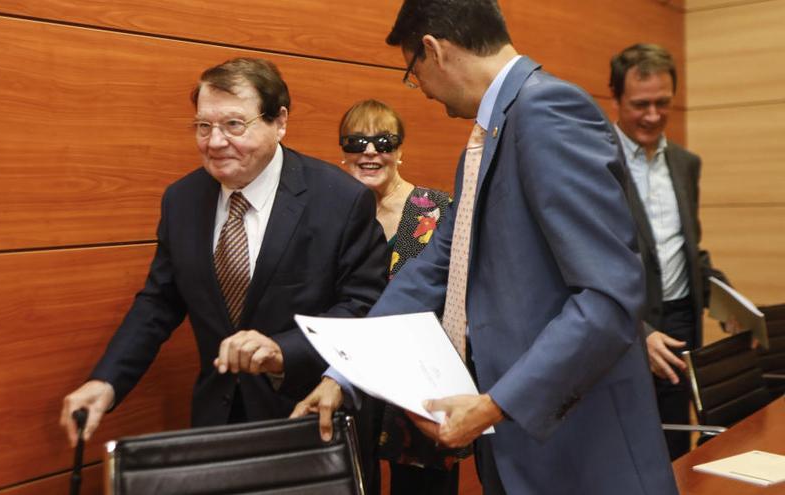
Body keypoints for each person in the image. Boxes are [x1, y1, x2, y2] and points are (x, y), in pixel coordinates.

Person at [293, 1, 678, 494]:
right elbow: (434, 267)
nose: (424, 92)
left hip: (578, 449)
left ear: (433, 50)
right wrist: (342, 375)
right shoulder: (491, 133)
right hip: (517, 442)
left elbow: (609, 298)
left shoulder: (547, 112)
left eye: (414, 73)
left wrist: (497, 404)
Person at [59, 58, 388, 450]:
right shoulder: (182, 200)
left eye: (234, 125)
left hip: (310, 418)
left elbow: (365, 305)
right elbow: (159, 303)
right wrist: (107, 381)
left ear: (279, 121)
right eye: (203, 126)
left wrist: (284, 349)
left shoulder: (340, 199)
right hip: (219, 421)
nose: (214, 142)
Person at [610, 43, 729, 459]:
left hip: (680, 326)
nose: (653, 116)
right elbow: (587, 265)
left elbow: (685, 248)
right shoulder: (594, 161)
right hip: (623, 328)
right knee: (627, 452)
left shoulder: (685, 162)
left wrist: (727, 298)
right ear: (617, 99)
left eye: (663, 104)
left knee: (677, 447)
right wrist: (635, 329)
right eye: (640, 104)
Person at [339, 99, 463, 495]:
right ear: (344, 153)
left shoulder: (440, 211)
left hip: (420, 381)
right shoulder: (331, 216)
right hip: (351, 376)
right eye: (357, 141)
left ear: (400, 151)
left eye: (384, 141)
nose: (371, 151)